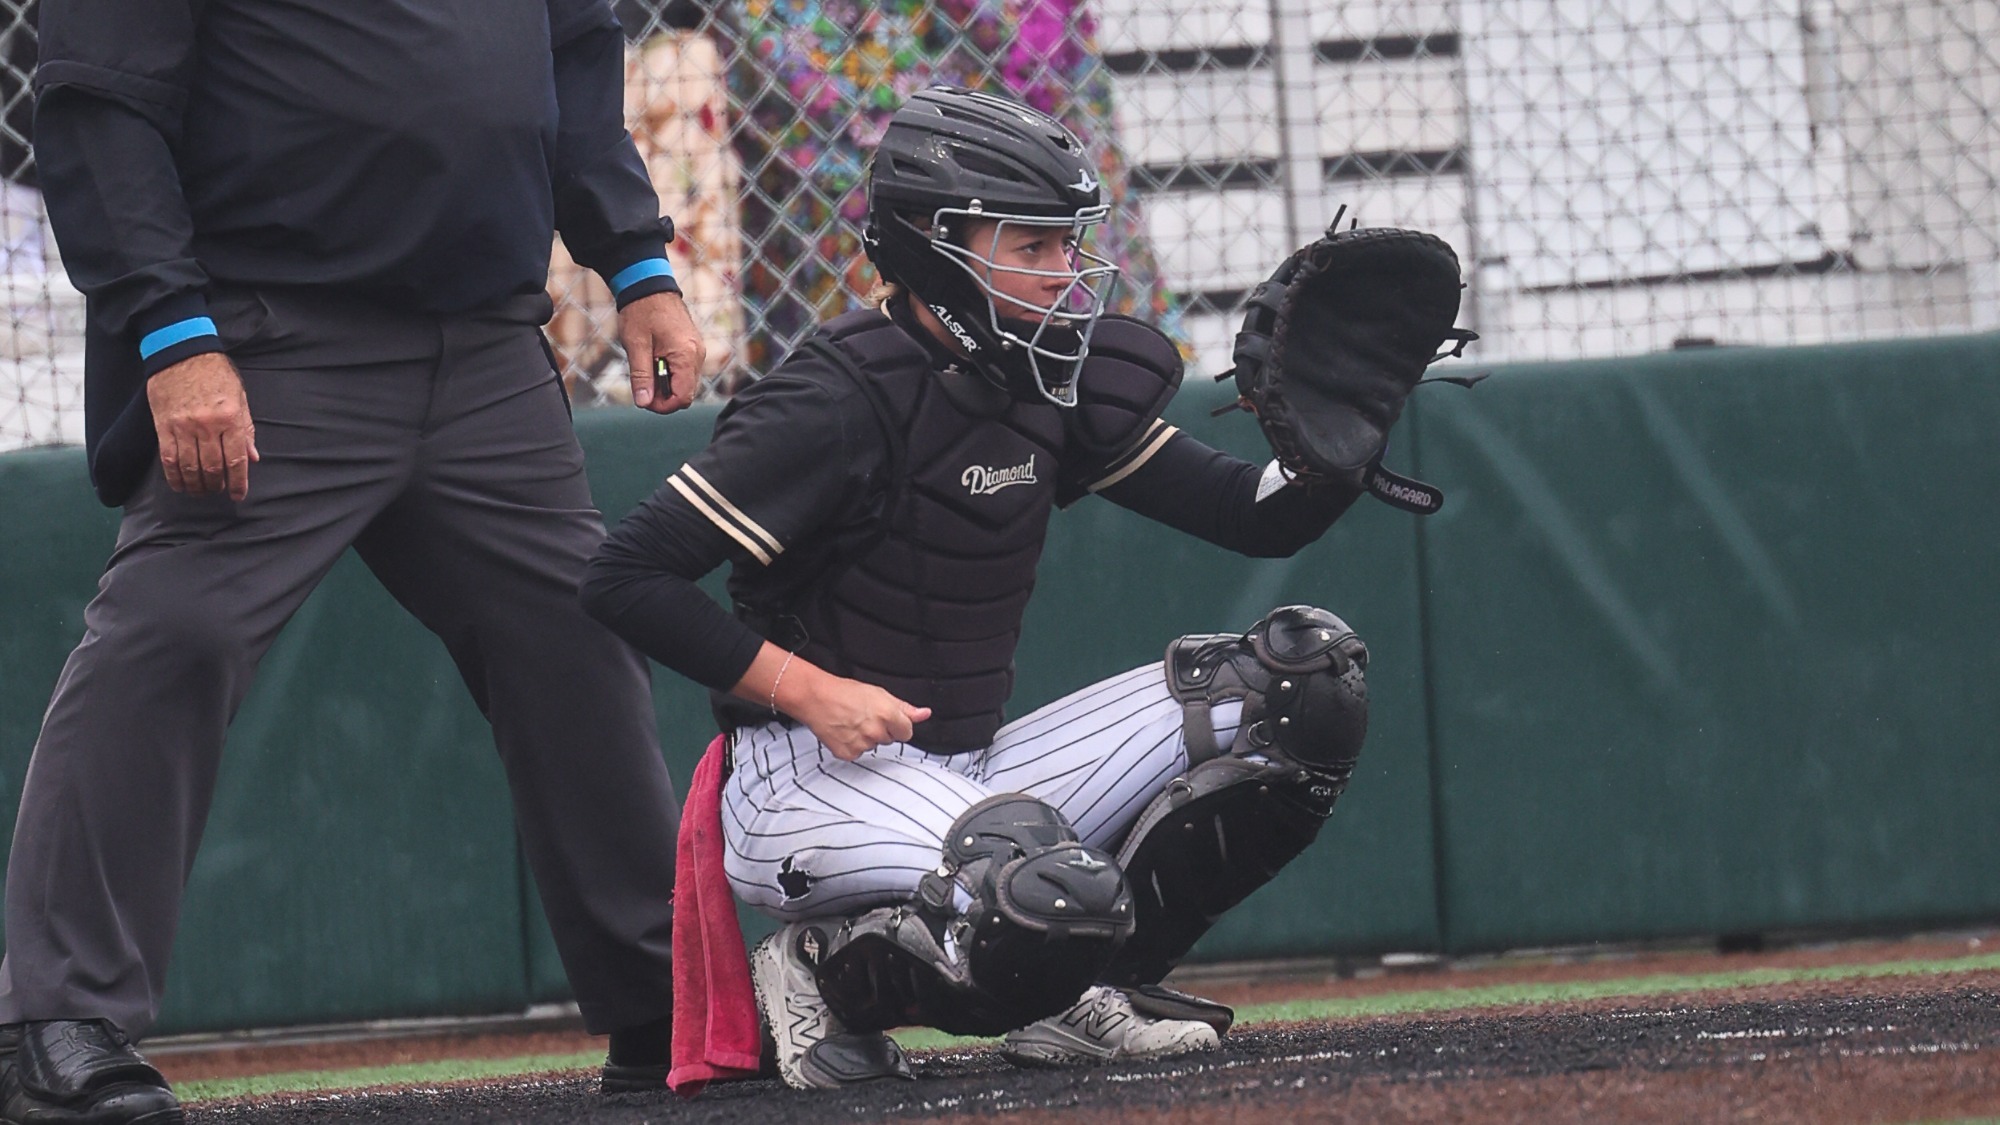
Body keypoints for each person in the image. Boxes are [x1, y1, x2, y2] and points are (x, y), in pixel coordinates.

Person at [581, 85, 1373, 1090]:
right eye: (1028, 247)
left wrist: (1336, 445)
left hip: (968, 765)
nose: (1062, 272)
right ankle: (824, 969)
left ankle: (1097, 991)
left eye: (1066, 243)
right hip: (801, 779)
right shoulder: (832, 397)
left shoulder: (1043, 373)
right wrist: (811, 691)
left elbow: (1249, 516)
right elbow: (622, 576)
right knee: (1037, 884)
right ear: (929, 239)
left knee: (1303, 687)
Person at [0, 2, 705, 1120]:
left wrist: (636, 259)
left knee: (576, 637)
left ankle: (662, 1007)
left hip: (483, 345)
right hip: (269, 340)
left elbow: (571, 64)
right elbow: (100, 111)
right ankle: (56, 1021)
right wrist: (172, 333)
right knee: (171, 638)